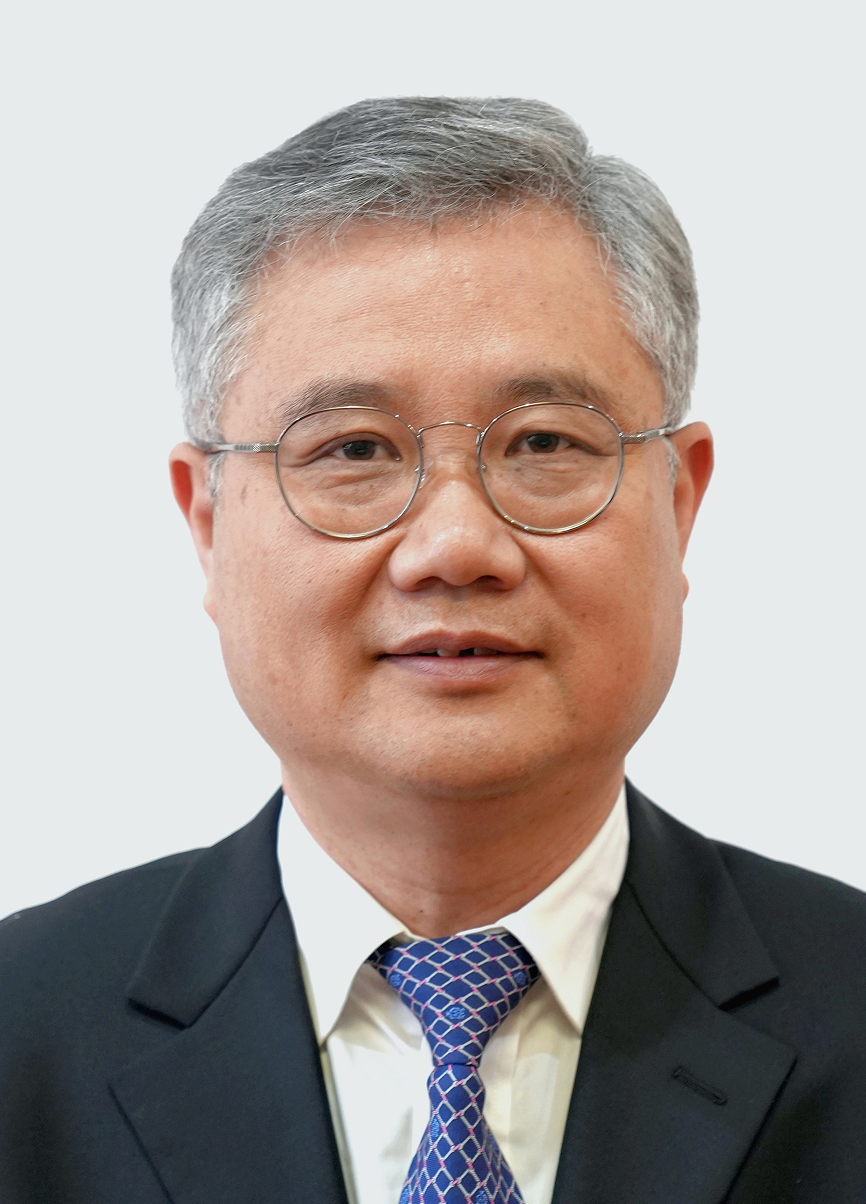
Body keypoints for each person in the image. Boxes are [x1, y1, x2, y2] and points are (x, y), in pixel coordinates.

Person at [1, 96, 864, 1204]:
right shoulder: (22, 1033)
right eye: (354, 450)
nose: (455, 545)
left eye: (543, 442)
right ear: (207, 524)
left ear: (678, 504)